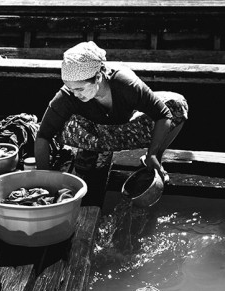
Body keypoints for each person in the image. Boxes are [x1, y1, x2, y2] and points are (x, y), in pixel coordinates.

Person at [33, 41, 187, 191]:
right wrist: (46, 180)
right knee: (59, 123)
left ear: (98, 77)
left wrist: (153, 154)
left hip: (123, 130)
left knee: (177, 105)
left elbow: (163, 114)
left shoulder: (126, 84)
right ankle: (89, 152)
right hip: (94, 136)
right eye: (70, 88)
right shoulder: (68, 95)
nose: (75, 94)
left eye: (80, 89)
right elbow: (43, 136)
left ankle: (150, 160)